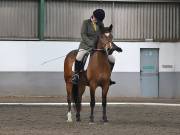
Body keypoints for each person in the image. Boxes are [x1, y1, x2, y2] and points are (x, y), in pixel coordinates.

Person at [72, 9, 122, 85]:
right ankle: (76, 75)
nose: (98, 21)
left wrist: (114, 46)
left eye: (99, 20)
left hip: (98, 47)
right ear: (94, 16)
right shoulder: (86, 22)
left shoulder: (100, 23)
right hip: (86, 45)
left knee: (112, 59)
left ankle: (108, 76)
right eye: (97, 19)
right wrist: (91, 43)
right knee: (79, 56)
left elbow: (105, 36)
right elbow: (83, 35)